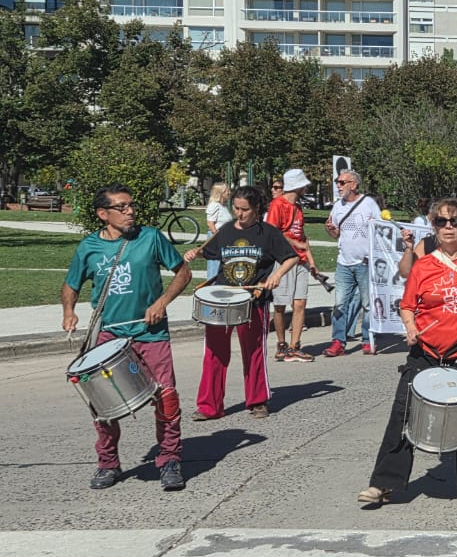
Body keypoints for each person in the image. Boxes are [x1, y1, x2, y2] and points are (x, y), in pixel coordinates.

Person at [358, 199, 457, 507]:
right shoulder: (423, 265)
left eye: (454, 221)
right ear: (433, 226)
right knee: (403, 414)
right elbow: (407, 305)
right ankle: (384, 483)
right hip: (426, 350)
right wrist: (411, 328)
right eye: (442, 222)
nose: (448, 227)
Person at [63, 184, 192, 491]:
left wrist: (162, 303)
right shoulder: (89, 247)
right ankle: (108, 463)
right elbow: (71, 285)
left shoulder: (150, 238)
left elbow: (183, 272)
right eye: (121, 207)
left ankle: (170, 459)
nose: (130, 211)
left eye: (131, 205)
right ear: (102, 214)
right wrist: (68, 311)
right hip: (110, 335)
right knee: (103, 404)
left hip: (151, 334)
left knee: (166, 398)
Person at [187, 185, 298, 420]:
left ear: (256, 208)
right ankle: (209, 406)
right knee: (214, 351)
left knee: (254, 351)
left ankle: (257, 401)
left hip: (253, 300)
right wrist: (194, 253)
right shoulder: (226, 230)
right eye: (236, 208)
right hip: (223, 298)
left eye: (244, 209)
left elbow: (291, 258)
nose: (239, 213)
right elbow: (207, 252)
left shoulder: (267, 233)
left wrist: (275, 275)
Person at [322, 170, 381, 357]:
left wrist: (375, 225)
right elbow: (336, 234)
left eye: (342, 182)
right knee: (340, 304)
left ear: (354, 185)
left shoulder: (369, 204)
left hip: (365, 262)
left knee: (368, 304)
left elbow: (381, 231)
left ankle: (367, 340)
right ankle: (338, 341)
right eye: (337, 182)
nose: (338, 186)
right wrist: (330, 230)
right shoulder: (337, 206)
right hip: (344, 262)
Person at [265, 168, 315, 361]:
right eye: (303, 184)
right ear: (298, 186)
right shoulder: (278, 205)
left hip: (300, 260)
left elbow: (301, 235)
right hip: (283, 260)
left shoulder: (298, 207)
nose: (306, 187)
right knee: (280, 304)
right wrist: (295, 244)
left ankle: (295, 346)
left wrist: (311, 261)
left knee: (300, 302)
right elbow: (272, 233)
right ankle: (281, 344)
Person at [204, 182, 233, 279]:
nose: (229, 192)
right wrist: (217, 237)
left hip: (224, 238)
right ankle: (212, 284)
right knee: (214, 265)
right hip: (216, 238)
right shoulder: (214, 205)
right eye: (227, 190)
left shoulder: (223, 206)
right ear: (221, 192)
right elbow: (210, 223)